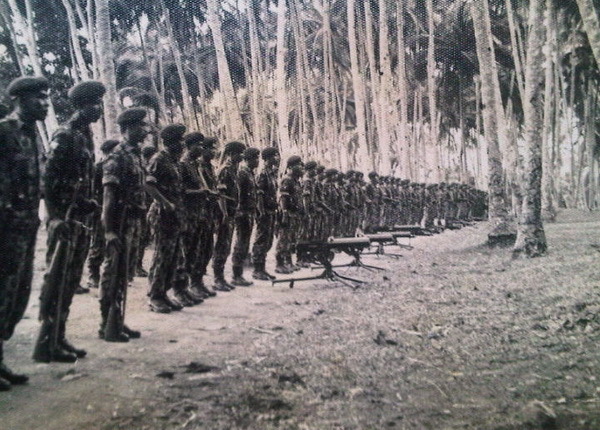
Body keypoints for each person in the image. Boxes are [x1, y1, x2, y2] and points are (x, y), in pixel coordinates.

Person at [33, 81, 106, 362]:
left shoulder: (85, 134)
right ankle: (46, 341)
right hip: (64, 220)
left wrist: (86, 201)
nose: (98, 109)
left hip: (79, 219)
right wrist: (53, 218)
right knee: (58, 279)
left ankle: (58, 336)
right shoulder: (65, 134)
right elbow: (47, 180)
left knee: (71, 277)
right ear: (81, 105)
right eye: (94, 104)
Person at [0, 76, 49, 390]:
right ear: (20, 99)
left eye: (46, 98)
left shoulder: (33, 135)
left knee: (16, 295)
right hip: (5, 229)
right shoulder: (4, 132)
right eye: (39, 98)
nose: (45, 103)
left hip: (26, 226)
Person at [98, 108, 148, 342]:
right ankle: (106, 323)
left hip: (132, 221)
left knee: (124, 273)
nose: (146, 130)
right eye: (141, 126)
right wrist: (108, 231)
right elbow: (109, 196)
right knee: (112, 272)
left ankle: (118, 320)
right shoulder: (117, 155)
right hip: (118, 222)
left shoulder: (136, 154)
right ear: (127, 128)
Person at [147, 124, 199, 312]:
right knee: (162, 256)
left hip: (176, 216)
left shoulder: (175, 161)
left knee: (174, 256)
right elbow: (149, 185)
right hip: (162, 216)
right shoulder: (159, 159)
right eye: (179, 141)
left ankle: (164, 293)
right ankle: (154, 296)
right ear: (171, 142)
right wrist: (164, 202)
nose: (182, 145)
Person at [179, 131, 209, 302]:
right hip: (188, 214)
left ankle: (195, 284)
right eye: (199, 145)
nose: (201, 149)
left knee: (197, 252)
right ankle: (183, 288)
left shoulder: (194, 164)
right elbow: (181, 191)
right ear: (190, 146)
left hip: (198, 213)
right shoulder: (183, 164)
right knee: (186, 252)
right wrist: (200, 192)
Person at [213, 141, 246, 291]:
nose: (241, 156)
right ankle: (218, 278)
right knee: (221, 245)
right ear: (232, 154)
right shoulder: (225, 170)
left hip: (231, 213)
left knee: (226, 246)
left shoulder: (234, 170)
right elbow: (221, 194)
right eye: (239, 153)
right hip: (224, 214)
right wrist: (225, 213)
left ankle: (224, 278)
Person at [87, 139, 120, 290]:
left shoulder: (117, 166)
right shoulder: (99, 166)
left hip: (113, 208)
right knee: (98, 241)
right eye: (114, 150)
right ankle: (93, 274)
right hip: (100, 207)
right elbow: (92, 189)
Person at [231, 147, 260, 286]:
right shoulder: (242, 173)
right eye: (255, 158)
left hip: (249, 213)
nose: (257, 161)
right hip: (242, 213)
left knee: (245, 243)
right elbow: (238, 194)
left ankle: (239, 274)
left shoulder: (250, 173)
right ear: (248, 159)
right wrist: (239, 211)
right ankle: (236, 275)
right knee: (241, 243)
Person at [251, 147, 280, 281]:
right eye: (274, 155)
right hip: (264, 212)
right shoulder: (262, 174)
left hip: (271, 211)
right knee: (261, 241)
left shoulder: (271, 173)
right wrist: (261, 211)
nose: (277, 158)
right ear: (267, 158)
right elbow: (259, 195)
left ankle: (262, 268)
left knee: (268, 241)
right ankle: (257, 269)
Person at [275, 156, 304, 274]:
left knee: (291, 240)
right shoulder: (287, 180)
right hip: (287, 214)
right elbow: (283, 197)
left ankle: (288, 263)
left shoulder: (295, 181)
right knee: (283, 240)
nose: (301, 167)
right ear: (291, 167)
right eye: (299, 165)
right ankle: (279, 264)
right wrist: (285, 213)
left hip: (294, 214)